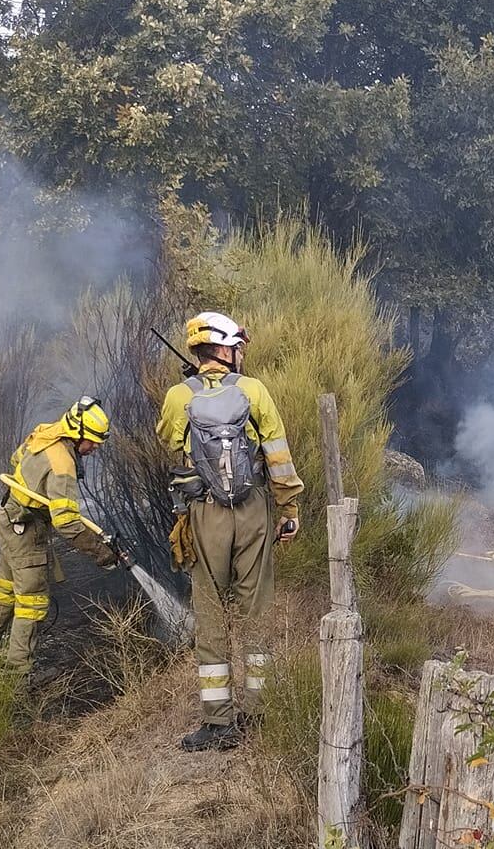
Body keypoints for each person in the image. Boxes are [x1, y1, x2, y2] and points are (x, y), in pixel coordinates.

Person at [156, 312, 305, 751]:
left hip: (206, 513)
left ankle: (218, 722)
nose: (240, 353)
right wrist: (288, 508)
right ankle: (259, 710)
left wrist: (191, 393)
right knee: (255, 609)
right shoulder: (254, 390)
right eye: (237, 347)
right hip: (253, 509)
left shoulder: (178, 395)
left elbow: (169, 441)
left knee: (210, 614)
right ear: (224, 349)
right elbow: (278, 454)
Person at [0, 397, 120, 684]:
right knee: (32, 601)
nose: (95, 448)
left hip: (9, 517)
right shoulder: (62, 464)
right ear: (77, 433)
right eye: (92, 441)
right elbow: (66, 521)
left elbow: (16, 459)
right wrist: (100, 552)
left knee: (5, 591)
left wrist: (35, 489)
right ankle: (17, 676)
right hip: (25, 529)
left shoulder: (45, 433)